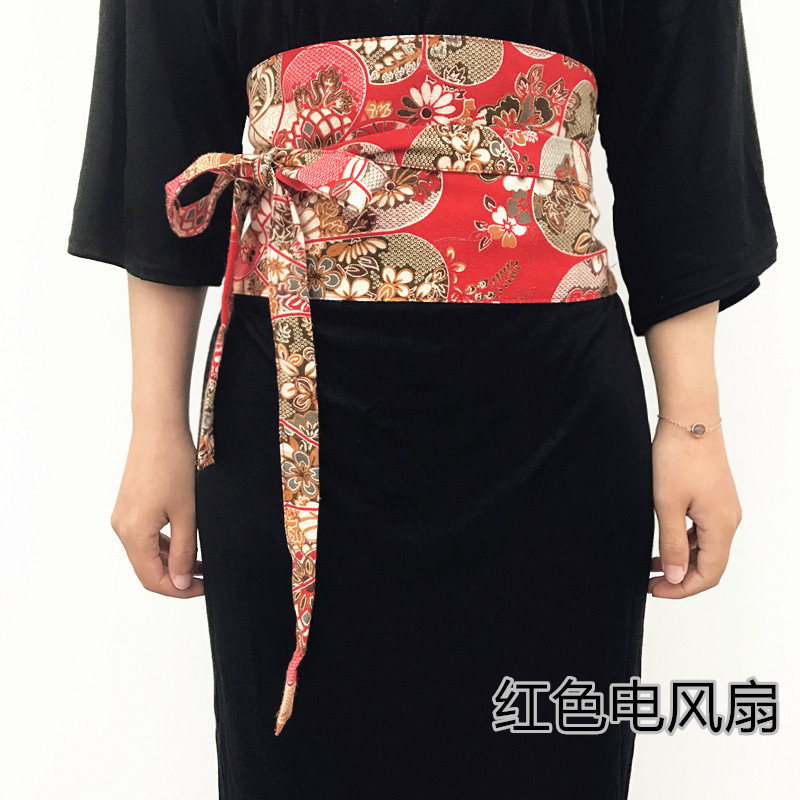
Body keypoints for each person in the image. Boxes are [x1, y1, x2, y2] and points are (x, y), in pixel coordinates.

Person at [67, 1, 779, 797]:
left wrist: (694, 424)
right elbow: (160, 119)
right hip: (291, 421)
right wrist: (155, 427)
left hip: (555, 425)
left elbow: (682, 131)